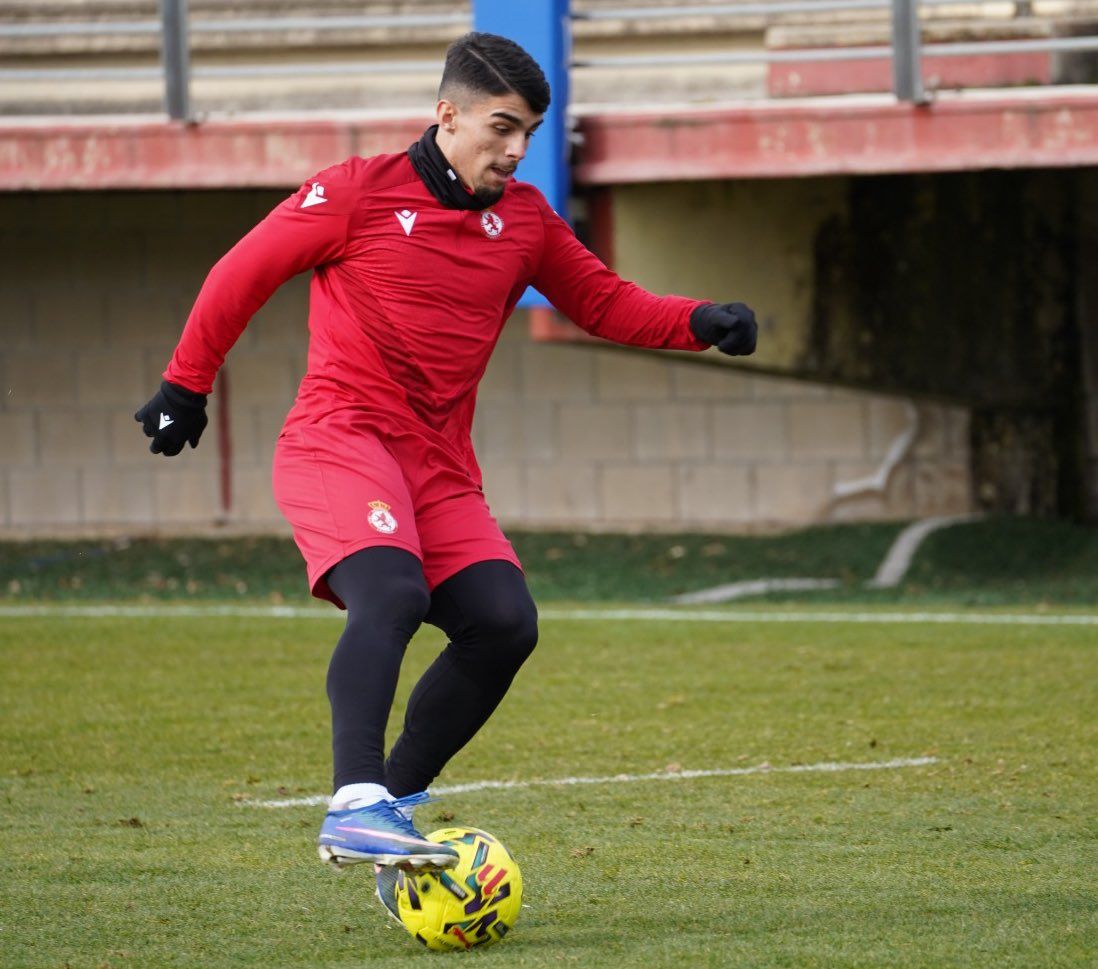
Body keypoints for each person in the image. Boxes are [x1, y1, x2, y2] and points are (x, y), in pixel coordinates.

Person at [135, 31, 757, 881]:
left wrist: (699, 321)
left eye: (529, 132)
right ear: (447, 115)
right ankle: (355, 801)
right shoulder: (357, 192)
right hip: (339, 440)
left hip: (439, 468)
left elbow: (603, 304)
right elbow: (241, 272)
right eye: (502, 127)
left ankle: (390, 804)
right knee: (391, 588)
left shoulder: (527, 221)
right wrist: (184, 386)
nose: (517, 148)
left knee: (505, 623)